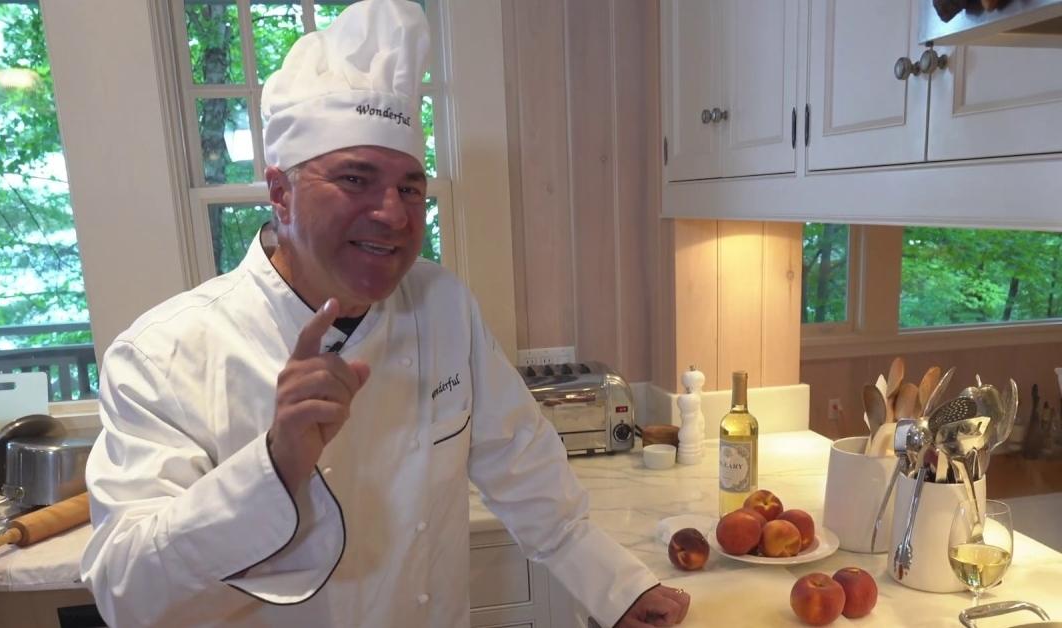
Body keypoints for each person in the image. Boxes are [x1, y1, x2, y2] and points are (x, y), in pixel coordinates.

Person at [80, 1, 690, 626]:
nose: (394, 214)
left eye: (409, 187)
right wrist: (274, 464)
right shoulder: (164, 354)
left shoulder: (441, 304)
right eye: (355, 179)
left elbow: (523, 467)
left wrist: (617, 588)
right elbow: (129, 594)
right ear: (280, 191)